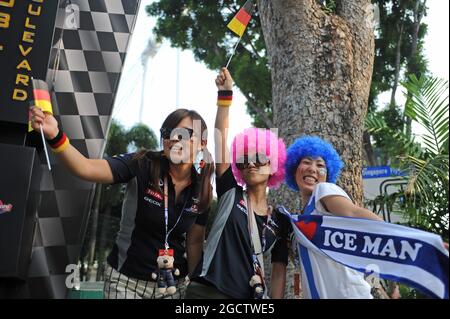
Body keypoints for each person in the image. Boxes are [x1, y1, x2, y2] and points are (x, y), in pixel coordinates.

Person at [29, 106, 214, 299]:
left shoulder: (203, 189)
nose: (173, 138)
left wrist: (193, 283)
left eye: (183, 133)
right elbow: (86, 168)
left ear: (202, 143)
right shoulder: (142, 164)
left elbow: (194, 242)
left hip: (172, 287)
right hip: (126, 283)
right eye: (167, 133)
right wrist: (55, 135)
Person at [185, 68, 290, 299]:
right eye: (244, 160)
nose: (251, 164)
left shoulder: (281, 221)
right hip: (205, 293)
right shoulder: (231, 193)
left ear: (274, 165)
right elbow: (220, 139)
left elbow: (279, 270)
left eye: (260, 158)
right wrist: (225, 96)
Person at [282, 136, 384, 299]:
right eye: (306, 162)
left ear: (327, 174)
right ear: (294, 168)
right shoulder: (299, 220)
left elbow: (354, 213)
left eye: (320, 165)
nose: (313, 169)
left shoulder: (323, 191)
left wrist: (412, 238)